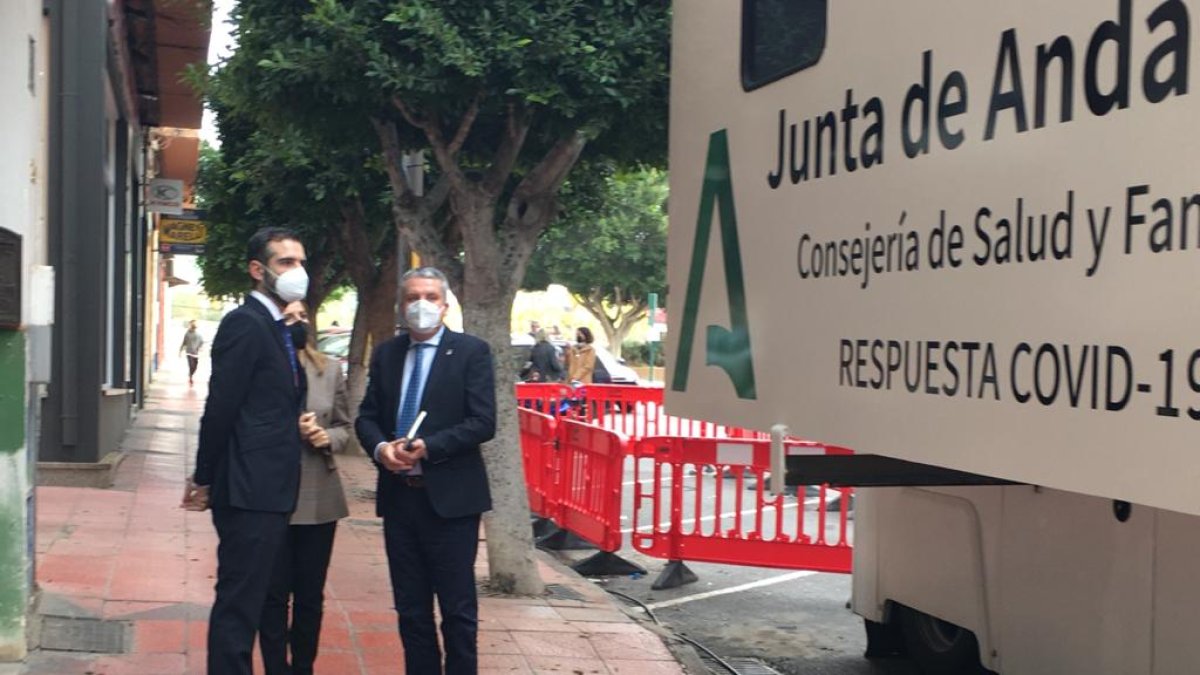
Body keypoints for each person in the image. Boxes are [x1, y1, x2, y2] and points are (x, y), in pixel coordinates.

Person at [355, 266, 496, 675]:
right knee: (411, 610)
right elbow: (367, 417)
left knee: (457, 610)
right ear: (401, 306)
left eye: (430, 297)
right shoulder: (387, 354)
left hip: (451, 504)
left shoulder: (471, 352)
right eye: (413, 297)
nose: (422, 305)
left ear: (445, 305)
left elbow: (483, 422)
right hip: (400, 500)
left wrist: (429, 447)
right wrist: (382, 449)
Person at [182, 227, 309, 675]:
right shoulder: (245, 323)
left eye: (300, 262)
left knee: (263, 598)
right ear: (258, 270)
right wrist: (203, 477)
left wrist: (296, 328)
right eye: (285, 263)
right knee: (239, 605)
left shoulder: (276, 326)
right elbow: (221, 408)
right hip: (249, 489)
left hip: (272, 488)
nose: (297, 272)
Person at [260, 301, 351, 675]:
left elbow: (345, 428)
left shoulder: (329, 369)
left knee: (310, 595)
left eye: (302, 317)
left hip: (318, 498)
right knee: (272, 594)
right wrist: (288, 429)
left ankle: (302, 667)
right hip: (269, 495)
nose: (296, 323)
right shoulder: (260, 367)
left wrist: (326, 437)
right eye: (287, 318)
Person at [179, 320, 205, 385]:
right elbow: (184, 343)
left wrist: (201, 347)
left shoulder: (198, 334)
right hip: (189, 353)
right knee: (191, 366)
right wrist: (180, 351)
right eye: (192, 325)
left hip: (196, 353)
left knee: (195, 367)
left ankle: (191, 374)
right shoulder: (187, 334)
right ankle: (190, 377)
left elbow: (201, 342)